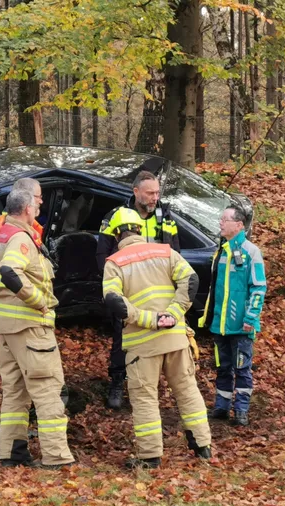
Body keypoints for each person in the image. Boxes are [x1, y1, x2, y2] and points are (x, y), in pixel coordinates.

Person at [0, 189, 75, 469]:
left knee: (15, 391)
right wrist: (37, 300)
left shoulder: (0, 237)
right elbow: (8, 271)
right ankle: (56, 457)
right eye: (38, 203)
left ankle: (13, 453)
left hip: (7, 328)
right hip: (31, 326)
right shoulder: (20, 238)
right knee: (47, 388)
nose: (39, 207)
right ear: (27, 208)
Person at [102, 207, 211, 469]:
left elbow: (113, 301)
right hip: (175, 338)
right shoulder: (166, 251)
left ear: (117, 234)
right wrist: (174, 313)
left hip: (143, 344)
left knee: (145, 397)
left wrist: (147, 320)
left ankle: (150, 457)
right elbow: (191, 280)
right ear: (140, 229)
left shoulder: (114, 263)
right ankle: (203, 446)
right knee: (187, 390)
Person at [97, 171, 180, 409]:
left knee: (159, 336)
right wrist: (112, 288)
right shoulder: (116, 216)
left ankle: (149, 385)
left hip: (159, 290)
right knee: (121, 338)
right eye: (150, 193)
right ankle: (117, 382)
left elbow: (175, 252)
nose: (155, 197)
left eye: (157, 192)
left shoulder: (165, 217)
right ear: (136, 192)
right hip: (128, 289)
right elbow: (102, 253)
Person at [198, 205, 267, 427]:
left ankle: (241, 410)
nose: (220, 222)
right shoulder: (222, 251)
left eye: (225, 219)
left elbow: (258, 287)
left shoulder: (251, 252)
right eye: (221, 219)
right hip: (220, 324)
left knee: (242, 367)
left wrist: (250, 318)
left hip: (241, 326)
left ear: (238, 225)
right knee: (223, 366)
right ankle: (222, 406)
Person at [0, 178, 45, 248]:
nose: (41, 201)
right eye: (38, 197)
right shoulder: (3, 231)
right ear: (26, 198)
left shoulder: (26, 220)